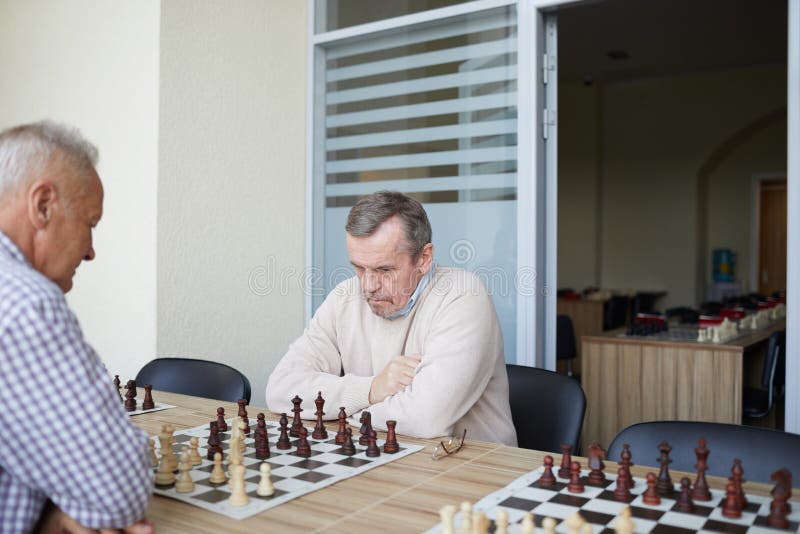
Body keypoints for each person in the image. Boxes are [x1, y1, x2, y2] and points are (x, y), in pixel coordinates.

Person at [266, 191, 517, 446]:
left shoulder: (463, 296)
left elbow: (424, 418)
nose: (368, 285)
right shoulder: (344, 297)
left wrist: (335, 411)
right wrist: (372, 389)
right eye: (359, 267)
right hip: (381, 455)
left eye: (384, 270)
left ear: (423, 258)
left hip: (473, 472)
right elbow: (280, 389)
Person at [0, 122, 153, 533]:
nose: (90, 251)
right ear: (43, 205)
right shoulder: (26, 304)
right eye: (90, 224)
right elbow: (119, 491)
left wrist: (49, 514)